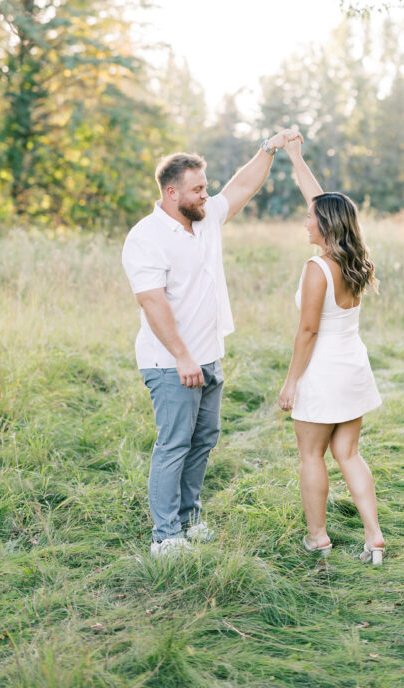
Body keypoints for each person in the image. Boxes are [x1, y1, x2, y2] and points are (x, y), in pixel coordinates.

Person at [122, 130, 300, 557]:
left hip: (209, 358)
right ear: (171, 192)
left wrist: (268, 149)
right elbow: (152, 301)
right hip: (171, 364)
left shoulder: (205, 221)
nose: (207, 195)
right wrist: (183, 357)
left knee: (203, 441)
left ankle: (188, 518)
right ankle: (165, 537)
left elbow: (242, 185)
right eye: (198, 189)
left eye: (206, 187)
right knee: (174, 444)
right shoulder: (145, 237)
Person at [279, 136, 385, 564]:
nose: (304, 223)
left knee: (311, 455)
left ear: (325, 226)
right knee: (349, 454)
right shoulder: (352, 259)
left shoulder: (317, 268)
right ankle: (374, 536)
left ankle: (318, 537)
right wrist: (295, 157)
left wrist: (291, 382)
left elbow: (308, 331)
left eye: (309, 218)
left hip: (321, 373)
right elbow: (322, 200)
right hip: (353, 368)